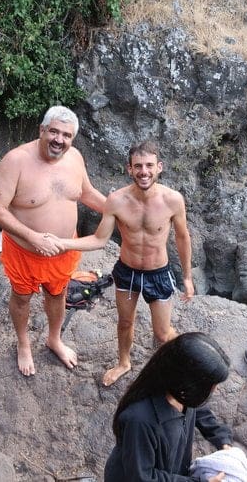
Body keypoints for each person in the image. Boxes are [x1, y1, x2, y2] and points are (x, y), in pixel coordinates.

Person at [55, 140, 195, 386]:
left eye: (149, 165)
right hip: (127, 273)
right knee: (125, 322)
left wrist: (187, 277)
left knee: (162, 334)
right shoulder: (117, 200)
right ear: (129, 169)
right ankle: (123, 363)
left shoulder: (173, 200)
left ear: (159, 167)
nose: (144, 171)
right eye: (138, 166)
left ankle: (186, 355)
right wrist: (63, 243)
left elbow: (183, 237)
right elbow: (99, 239)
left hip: (158, 273)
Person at [0, 105, 106, 376]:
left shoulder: (74, 157)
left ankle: (54, 339)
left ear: (72, 139)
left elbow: (86, 193)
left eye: (66, 135)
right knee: (22, 297)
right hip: (24, 251)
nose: (59, 140)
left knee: (58, 292)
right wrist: (33, 237)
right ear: (42, 130)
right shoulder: (15, 161)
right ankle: (23, 343)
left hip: (64, 249)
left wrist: (117, 209)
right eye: (54, 131)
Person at [104, 332, 233, 482]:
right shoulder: (139, 421)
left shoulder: (182, 393)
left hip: (172, 468)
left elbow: (198, 409)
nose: (214, 390)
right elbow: (142, 477)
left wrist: (221, 438)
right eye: (210, 385)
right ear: (188, 382)